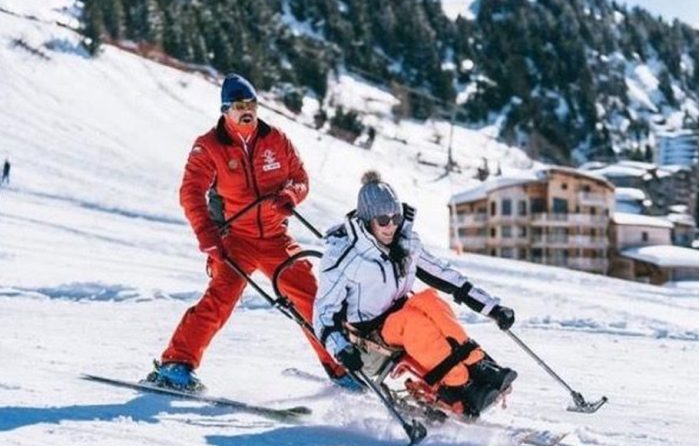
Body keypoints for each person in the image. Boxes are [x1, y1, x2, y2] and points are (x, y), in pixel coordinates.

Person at [147, 73, 349, 391]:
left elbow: (299, 177)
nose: (247, 111)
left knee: (311, 297)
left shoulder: (276, 139)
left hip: (275, 238)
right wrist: (207, 237)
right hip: (235, 239)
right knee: (220, 298)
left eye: (252, 104)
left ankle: (342, 368)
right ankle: (176, 365)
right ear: (225, 110)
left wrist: (290, 196)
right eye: (239, 105)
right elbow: (191, 193)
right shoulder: (209, 146)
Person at [314, 171, 518, 417]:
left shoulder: (405, 244)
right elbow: (323, 314)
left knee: (430, 301)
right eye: (383, 220)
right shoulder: (343, 258)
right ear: (367, 220)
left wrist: (491, 308)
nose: (391, 226)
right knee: (413, 323)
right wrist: (341, 349)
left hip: (397, 319)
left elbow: (445, 275)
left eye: (395, 217)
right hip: (367, 343)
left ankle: (478, 366)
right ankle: (457, 387)